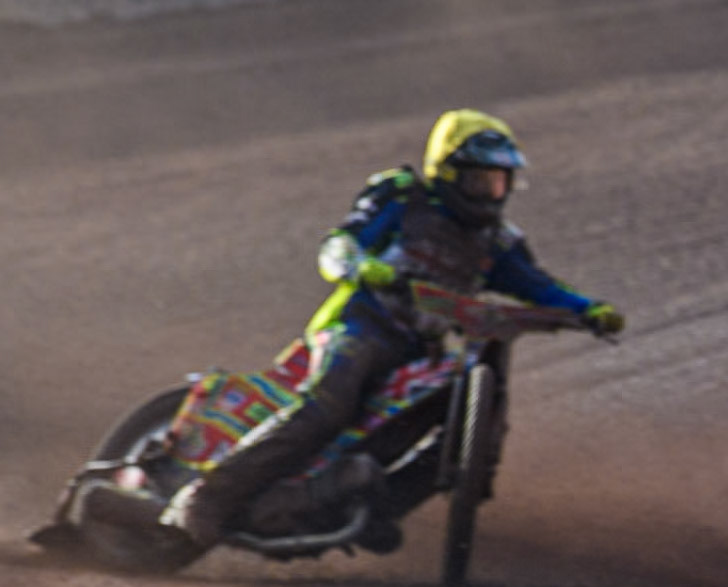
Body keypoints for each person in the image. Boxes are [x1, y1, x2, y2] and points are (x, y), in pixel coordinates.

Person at [160, 109, 624, 550]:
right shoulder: (401, 198)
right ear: (446, 170)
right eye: (478, 179)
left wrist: (590, 310)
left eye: (498, 182)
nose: (489, 192)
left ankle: (377, 507)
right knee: (328, 404)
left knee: (463, 428)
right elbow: (339, 244)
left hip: (419, 353)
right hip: (361, 325)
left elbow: (538, 286)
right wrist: (365, 269)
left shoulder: (499, 242)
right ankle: (206, 497)